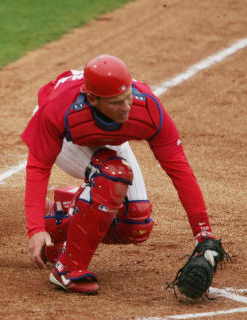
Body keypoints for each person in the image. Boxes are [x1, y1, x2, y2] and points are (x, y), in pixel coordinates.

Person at [20, 54, 222, 294]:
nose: (126, 108)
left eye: (128, 98)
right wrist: (34, 230)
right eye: (117, 102)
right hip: (68, 140)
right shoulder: (59, 110)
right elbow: (38, 168)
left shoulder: (146, 108)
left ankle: (58, 219)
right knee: (112, 174)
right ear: (93, 99)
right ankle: (67, 269)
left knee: (135, 224)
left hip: (105, 135)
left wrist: (203, 233)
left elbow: (179, 169)